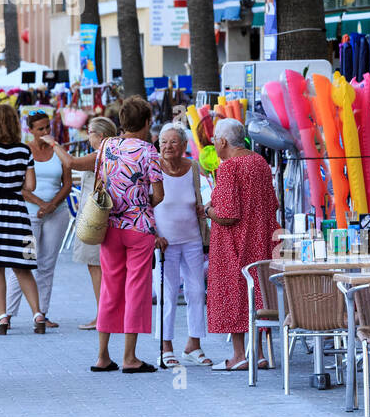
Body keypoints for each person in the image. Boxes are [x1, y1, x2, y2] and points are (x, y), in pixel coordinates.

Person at [90, 96, 165, 374]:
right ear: (146, 122)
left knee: (110, 288)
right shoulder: (149, 152)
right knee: (136, 289)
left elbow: (100, 183)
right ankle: (130, 357)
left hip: (109, 226)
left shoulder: (106, 146)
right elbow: (158, 194)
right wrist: (140, 205)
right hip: (139, 227)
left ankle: (102, 355)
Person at [206, 118, 279, 371]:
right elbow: (273, 202)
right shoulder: (259, 162)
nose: (214, 143)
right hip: (261, 238)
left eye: (215, 138)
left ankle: (239, 355)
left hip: (234, 243)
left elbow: (227, 214)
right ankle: (257, 353)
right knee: (256, 293)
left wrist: (207, 210)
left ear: (223, 141)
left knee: (234, 294)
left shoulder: (229, 167)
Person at [0, 104, 47, 335]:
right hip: (19, 213)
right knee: (23, 267)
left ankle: (2, 318)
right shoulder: (25, 151)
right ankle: (38, 314)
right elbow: (31, 186)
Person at [6, 109, 73, 328]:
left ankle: (41, 313)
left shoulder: (57, 149)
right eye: (40, 128)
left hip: (57, 212)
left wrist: (52, 205)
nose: (45, 132)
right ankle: (7, 313)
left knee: (47, 265)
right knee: (23, 262)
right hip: (29, 213)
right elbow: (18, 185)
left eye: (47, 127)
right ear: (31, 130)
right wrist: (41, 204)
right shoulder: (24, 150)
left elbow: (68, 183)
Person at [155, 123, 211, 367]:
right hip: (165, 242)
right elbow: (146, 205)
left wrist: (203, 208)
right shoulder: (153, 168)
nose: (168, 147)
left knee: (197, 291)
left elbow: (202, 197)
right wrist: (153, 235)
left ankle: (193, 344)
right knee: (167, 294)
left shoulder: (193, 167)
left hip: (192, 239)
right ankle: (165, 346)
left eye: (173, 142)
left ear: (184, 146)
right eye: (164, 142)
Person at [59, 117, 118, 330]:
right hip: (106, 217)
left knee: (96, 267)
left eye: (90, 132)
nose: (88, 136)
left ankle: (103, 315)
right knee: (104, 267)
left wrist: (54, 145)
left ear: (100, 136)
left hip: (95, 219)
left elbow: (71, 162)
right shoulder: (114, 152)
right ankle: (108, 313)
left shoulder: (100, 155)